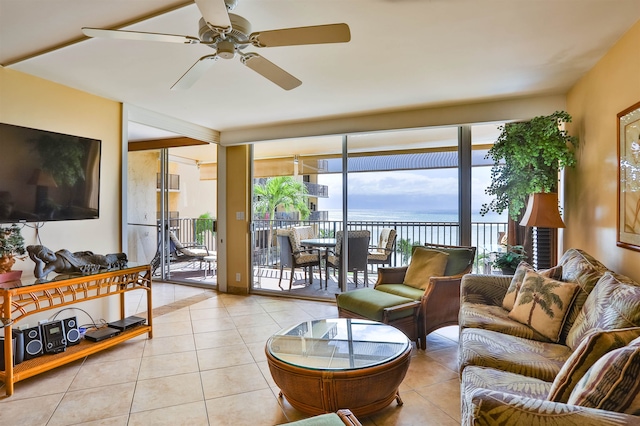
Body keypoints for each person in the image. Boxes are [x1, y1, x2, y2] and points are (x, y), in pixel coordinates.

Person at [27, 245, 127, 279]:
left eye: (48, 251)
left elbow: (73, 255)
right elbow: (39, 276)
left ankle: (120, 256)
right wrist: (38, 263)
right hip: (83, 267)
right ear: (45, 259)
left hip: (84, 258)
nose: (50, 254)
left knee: (104, 259)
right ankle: (120, 259)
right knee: (106, 263)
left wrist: (84, 253)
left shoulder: (59, 253)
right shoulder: (53, 265)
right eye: (46, 256)